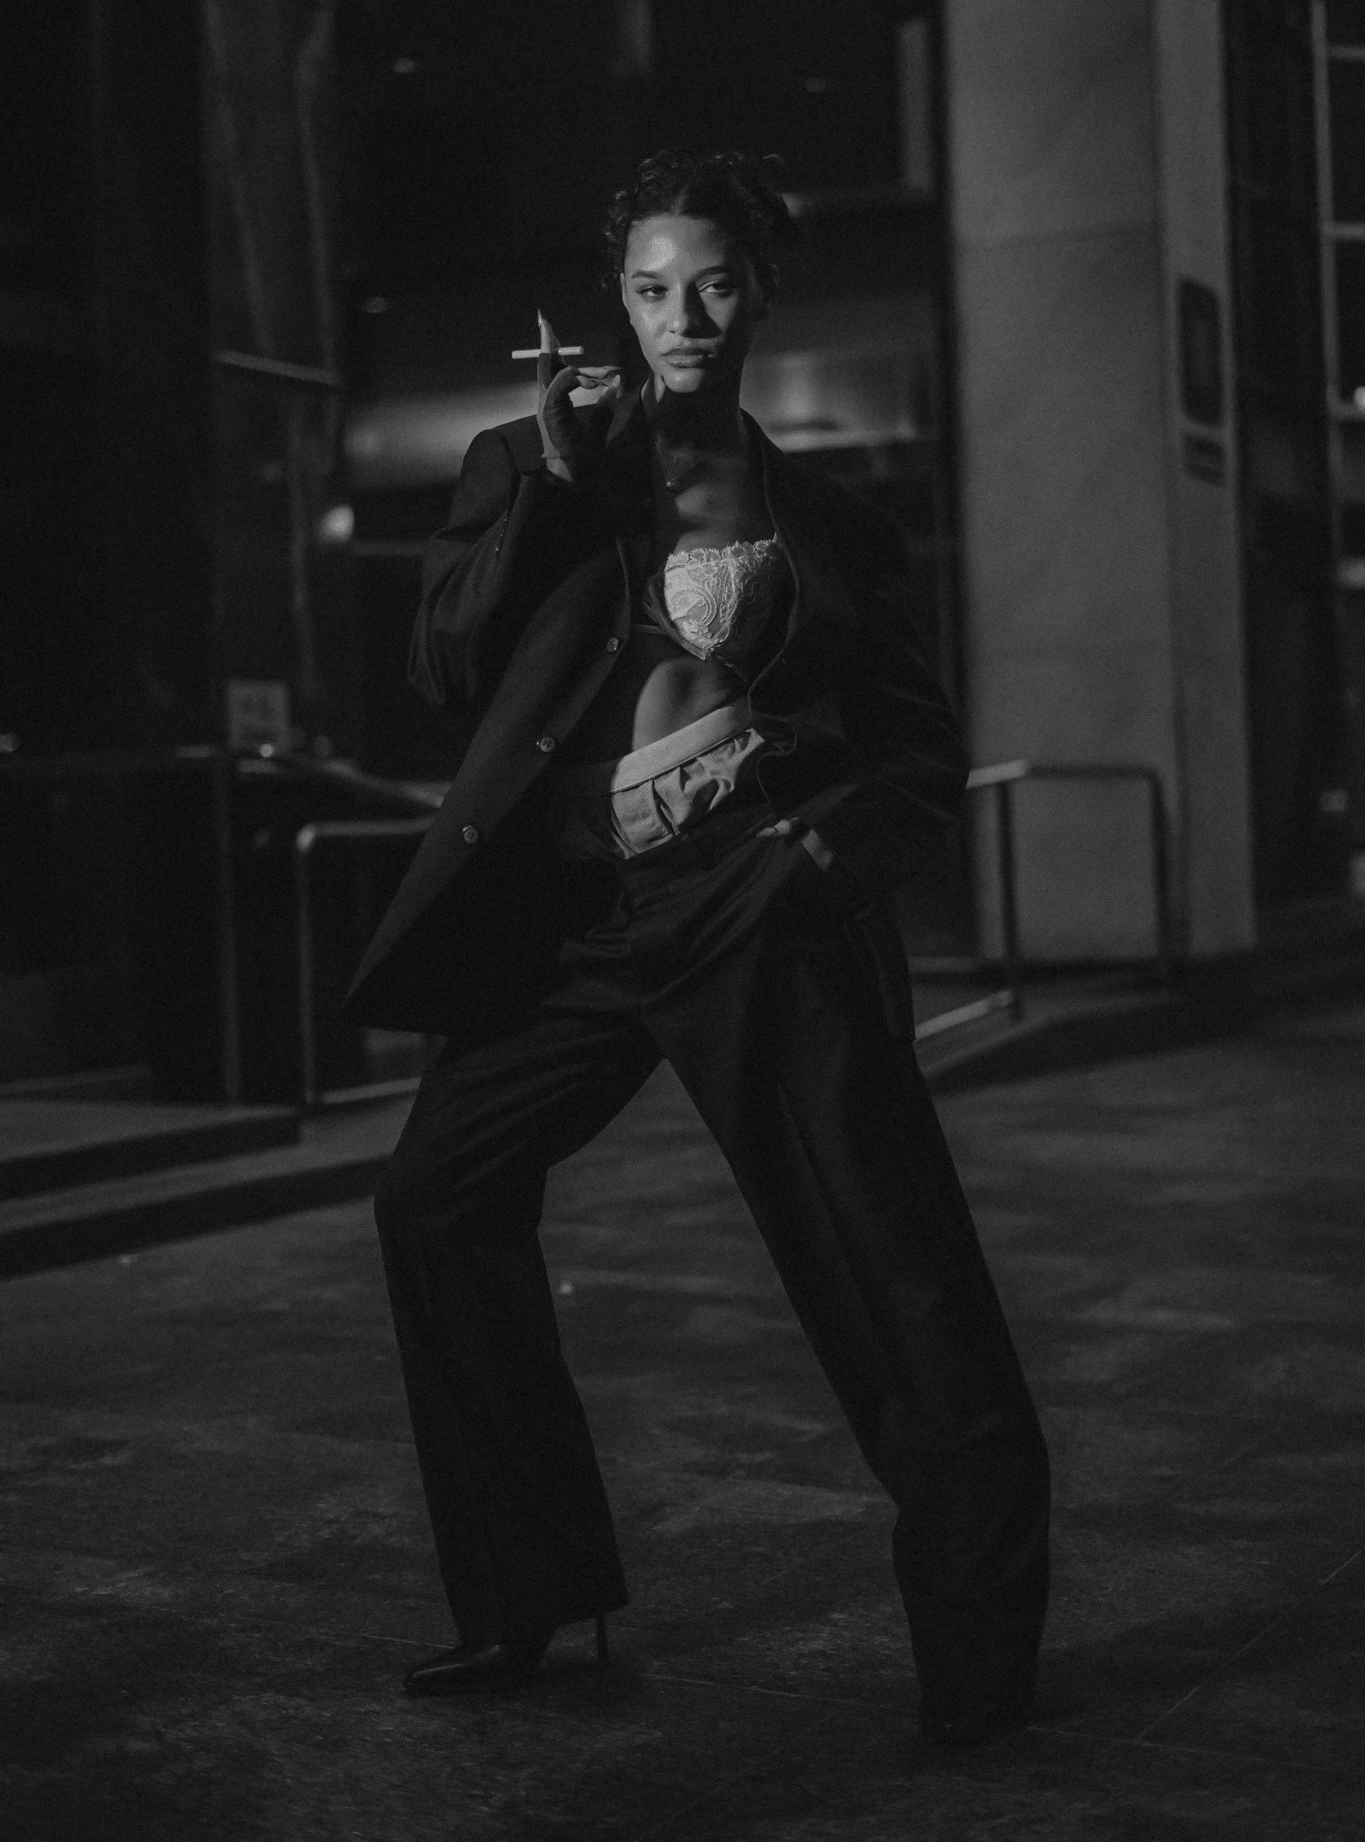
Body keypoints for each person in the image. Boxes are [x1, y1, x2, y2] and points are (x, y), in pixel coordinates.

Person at [344, 148, 1050, 1748]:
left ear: (758, 295)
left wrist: (824, 851)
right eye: (653, 287)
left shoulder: (830, 520)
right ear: (618, 300)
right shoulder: (534, 465)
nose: (684, 315)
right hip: (580, 916)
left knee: (890, 1269)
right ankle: (528, 1593)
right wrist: (549, 479)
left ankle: (979, 1656)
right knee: (434, 1197)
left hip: (752, 899)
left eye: (714, 284)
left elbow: (919, 752)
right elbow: (445, 664)